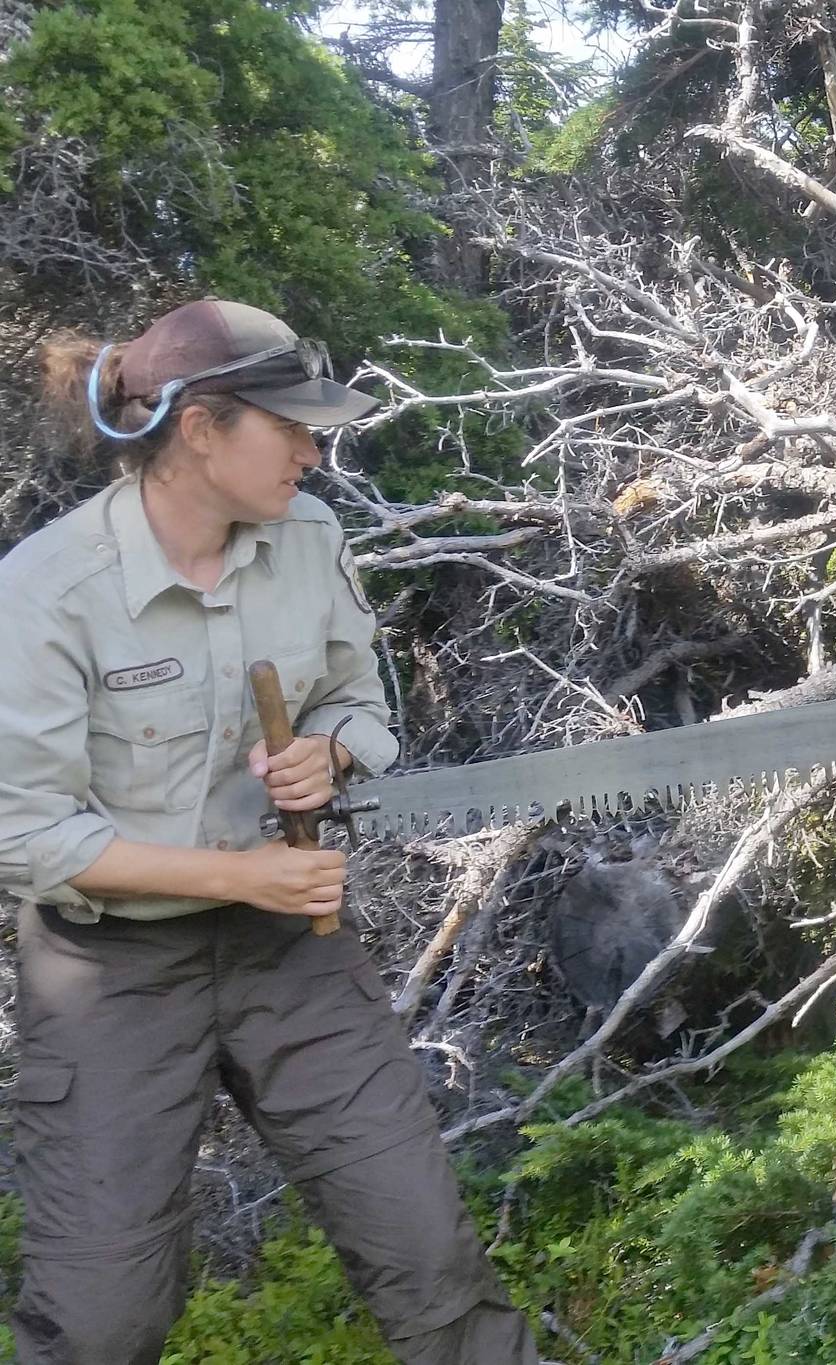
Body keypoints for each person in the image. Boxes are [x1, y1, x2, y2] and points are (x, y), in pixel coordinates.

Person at [0, 299, 538, 1364]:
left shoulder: (309, 539)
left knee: (430, 1259)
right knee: (101, 1320)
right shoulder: (47, 594)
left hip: (290, 955)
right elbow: (25, 837)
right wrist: (237, 876)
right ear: (200, 429)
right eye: (288, 424)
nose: (312, 447)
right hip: (111, 972)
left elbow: (360, 704)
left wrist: (328, 750)